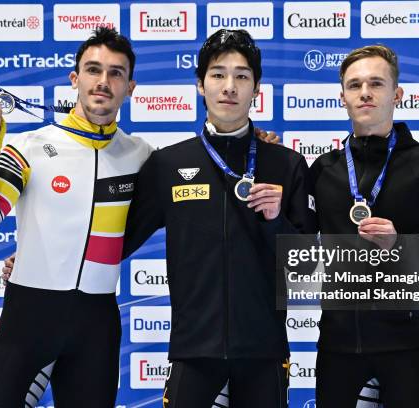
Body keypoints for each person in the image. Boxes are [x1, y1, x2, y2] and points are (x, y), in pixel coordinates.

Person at [121, 29, 317, 407]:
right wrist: (40, 259)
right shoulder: (168, 164)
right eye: (218, 74)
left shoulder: (286, 163)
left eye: (242, 76)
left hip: (264, 352)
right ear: (200, 85)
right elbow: (120, 238)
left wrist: (275, 219)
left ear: (256, 89)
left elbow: (306, 265)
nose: (230, 86)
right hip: (194, 351)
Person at [0, 27, 152, 407]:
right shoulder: (28, 146)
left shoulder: (141, 155)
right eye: (93, 70)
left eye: (116, 73)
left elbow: (196, 191)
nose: (103, 81)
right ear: (74, 79)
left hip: (97, 324)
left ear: (130, 87)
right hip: (28, 316)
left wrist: (257, 152)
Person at [308, 45, 419, 408]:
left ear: (396, 94)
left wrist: (401, 244)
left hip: (408, 347)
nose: (365, 92)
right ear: (342, 97)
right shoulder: (323, 170)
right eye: (354, 85)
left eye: (376, 83)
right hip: (339, 349)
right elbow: (292, 237)